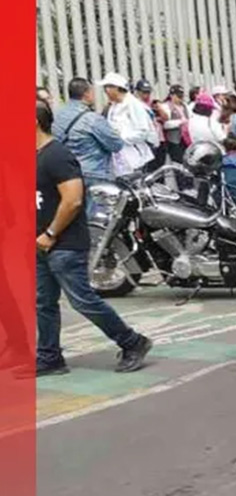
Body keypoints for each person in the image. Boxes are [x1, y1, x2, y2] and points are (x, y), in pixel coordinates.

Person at [35, 99, 153, 377]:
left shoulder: (57, 155)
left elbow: (73, 200)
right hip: (39, 243)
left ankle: (132, 342)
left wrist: (51, 233)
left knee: (83, 300)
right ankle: (49, 357)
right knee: (43, 302)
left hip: (63, 244)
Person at [52, 77, 123, 193]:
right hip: (93, 173)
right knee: (96, 210)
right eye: (92, 91)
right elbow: (116, 145)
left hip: (66, 174)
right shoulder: (92, 119)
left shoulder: (58, 116)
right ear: (86, 94)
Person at [101, 72, 157, 176]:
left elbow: (143, 132)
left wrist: (120, 138)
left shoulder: (133, 104)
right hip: (120, 159)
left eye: (107, 88)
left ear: (116, 88)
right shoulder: (113, 106)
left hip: (134, 159)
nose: (105, 91)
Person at [156, 84, 188, 164]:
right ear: (171, 95)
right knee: (177, 162)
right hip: (173, 139)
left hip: (185, 139)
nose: (180, 98)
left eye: (181, 96)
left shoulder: (185, 106)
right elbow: (165, 124)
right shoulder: (166, 106)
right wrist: (180, 122)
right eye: (178, 96)